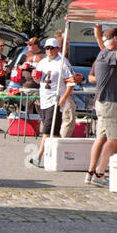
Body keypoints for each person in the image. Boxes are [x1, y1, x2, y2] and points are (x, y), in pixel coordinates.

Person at [85, 26, 117, 186]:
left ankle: (90, 173)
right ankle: (99, 174)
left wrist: (97, 32)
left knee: (101, 138)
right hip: (109, 103)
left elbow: (102, 42)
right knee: (114, 139)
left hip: (102, 102)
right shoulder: (108, 55)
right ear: (115, 39)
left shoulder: (102, 53)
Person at [31, 38, 73, 166]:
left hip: (55, 100)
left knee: (47, 130)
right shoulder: (43, 62)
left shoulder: (62, 63)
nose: (48, 50)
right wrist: (35, 77)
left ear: (57, 49)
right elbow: (40, 81)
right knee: (53, 132)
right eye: (47, 48)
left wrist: (63, 98)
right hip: (44, 98)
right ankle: (62, 155)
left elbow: (71, 82)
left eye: (51, 48)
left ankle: (38, 156)